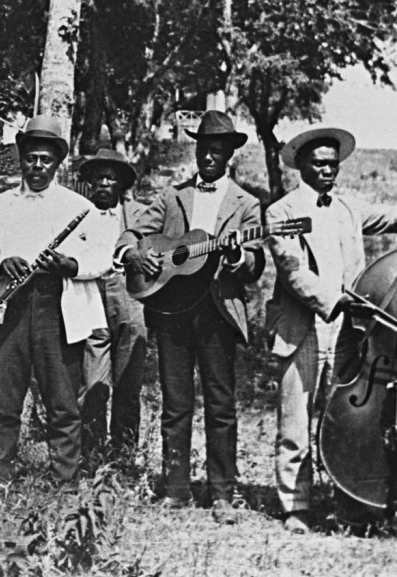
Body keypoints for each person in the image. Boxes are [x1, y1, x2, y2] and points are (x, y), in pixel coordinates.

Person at [264, 126, 397, 534]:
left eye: (334, 164)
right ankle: (296, 507)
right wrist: (336, 300)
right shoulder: (280, 211)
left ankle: (348, 502)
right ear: (302, 166)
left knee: (345, 419)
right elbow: (293, 271)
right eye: (320, 164)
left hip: (348, 332)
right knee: (295, 422)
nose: (328, 171)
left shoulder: (349, 207)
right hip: (302, 329)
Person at [116, 111, 265, 524]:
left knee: (220, 405)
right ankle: (176, 490)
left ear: (229, 155)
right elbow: (132, 232)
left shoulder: (246, 204)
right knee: (175, 403)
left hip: (217, 312)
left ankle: (222, 494)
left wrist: (236, 254)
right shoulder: (172, 196)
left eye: (217, 150)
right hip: (171, 312)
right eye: (203, 148)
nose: (209, 156)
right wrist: (134, 254)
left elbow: (255, 263)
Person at [0, 115, 109, 486]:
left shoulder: (80, 207)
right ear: (21, 159)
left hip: (57, 306)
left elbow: (103, 258)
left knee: (62, 400)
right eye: (31, 158)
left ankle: (64, 479)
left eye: (46, 159)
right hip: (10, 306)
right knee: (4, 397)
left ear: (57, 162)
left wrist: (70, 264)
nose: (38, 166)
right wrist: (0, 263)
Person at [76, 149, 149, 468]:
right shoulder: (79, 213)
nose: (104, 183)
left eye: (112, 177)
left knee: (129, 382)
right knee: (93, 383)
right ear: (90, 182)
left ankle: (124, 458)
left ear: (121, 184)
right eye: (99, 177)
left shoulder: (141, 214)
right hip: (90, 295)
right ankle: (91, 455)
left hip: (130, 296)